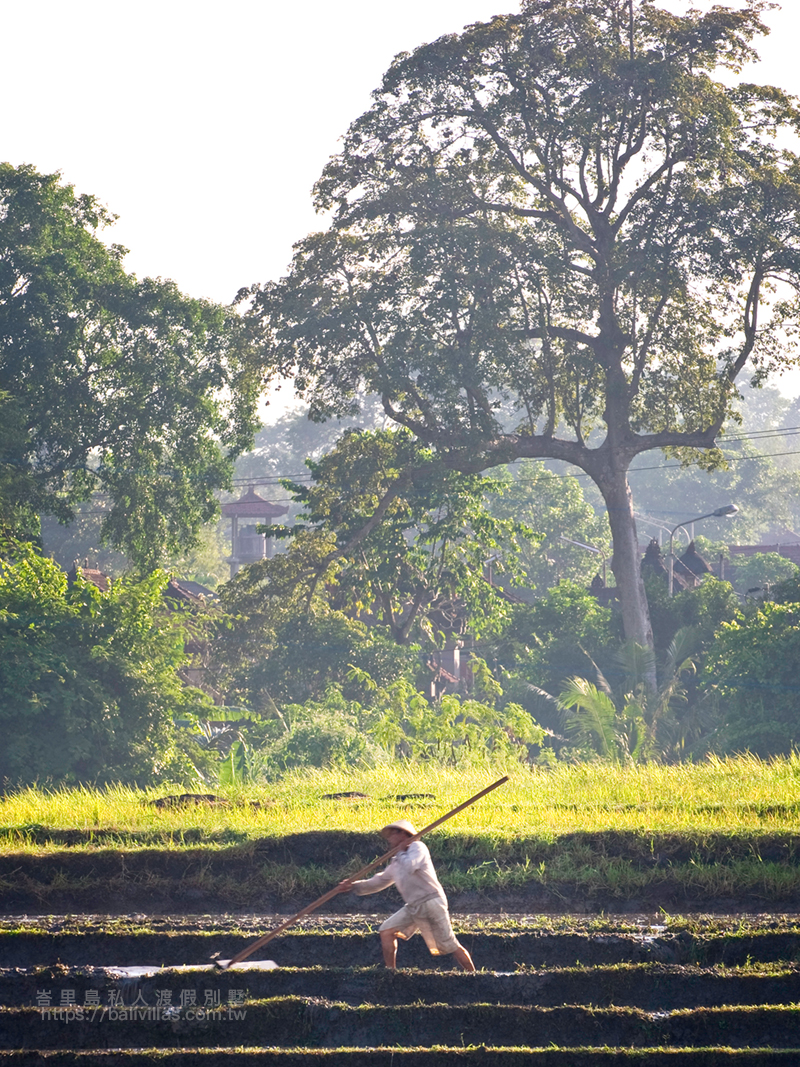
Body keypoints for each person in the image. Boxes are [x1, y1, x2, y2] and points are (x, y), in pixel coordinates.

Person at [337, 819, 475, 971]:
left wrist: (401, 851)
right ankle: (391, 972)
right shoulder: (396, 860)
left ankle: (473, 975)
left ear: (403, 834)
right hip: (414, 905)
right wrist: (352, 886)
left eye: (392, 834)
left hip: (431, 902)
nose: (389, 839)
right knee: (386, 931)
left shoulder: (417, 847)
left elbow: (411, 866)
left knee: (450, 943)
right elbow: (378, 882)